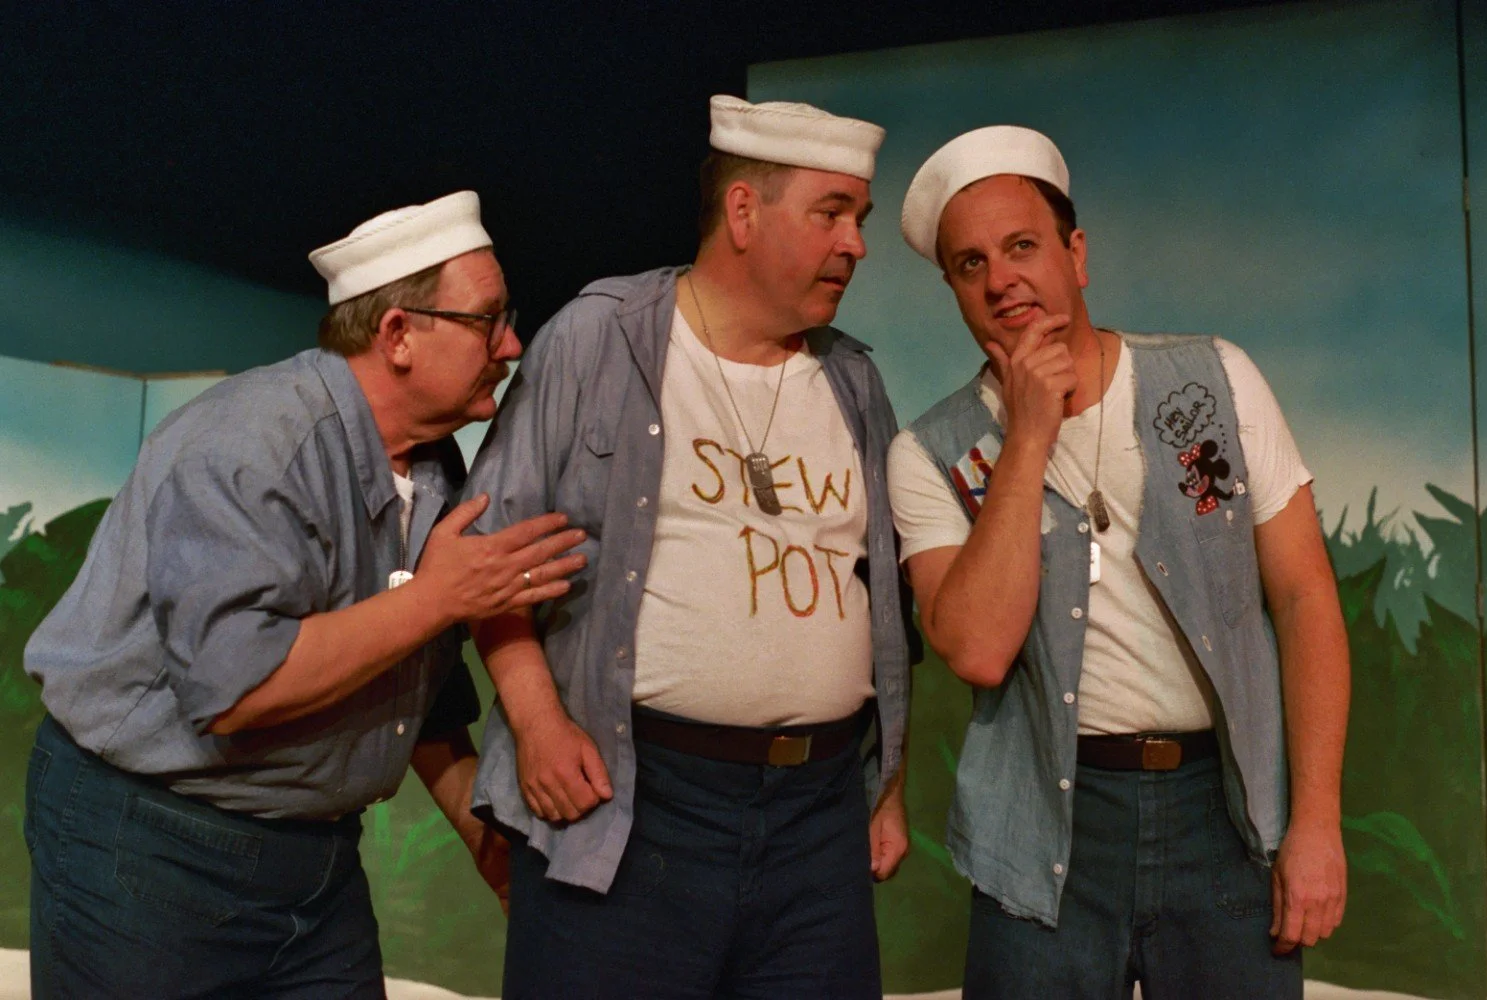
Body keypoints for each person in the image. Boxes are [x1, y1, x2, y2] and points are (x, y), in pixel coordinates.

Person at [24, 191, 586, 999]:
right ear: (398, 334)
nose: (511, 344)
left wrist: (475, 825)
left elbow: (403, 674)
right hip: (147, 848)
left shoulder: (433, 468)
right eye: (487, 321)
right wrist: (436, 599)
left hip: (315, 865)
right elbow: (235, 689)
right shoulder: (253, 450)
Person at [463, 96, 912, 999]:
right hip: (635, 804)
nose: (856, 244)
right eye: (831, 214)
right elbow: (488, 552)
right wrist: (539, 723)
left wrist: (887, 786)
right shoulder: (602, 337)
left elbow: (884, 601)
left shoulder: (853, 377)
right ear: (744, 211)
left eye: (859, 220)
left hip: (818, 818)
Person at [889, 126, 1349, 997]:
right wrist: (1027, 434)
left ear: (1077, 252)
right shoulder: (931, 452)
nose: (1001, 279)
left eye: (1022, 246)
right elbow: (980, 650)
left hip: (1224, 813)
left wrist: (1316, 821)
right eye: (970, 263)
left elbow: (1304, 595)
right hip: (1047, 831)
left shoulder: (1212, 380)